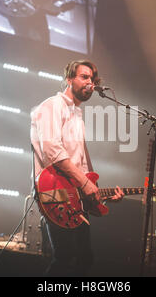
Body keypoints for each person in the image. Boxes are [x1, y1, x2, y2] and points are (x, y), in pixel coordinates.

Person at [30, 60, 124, 276]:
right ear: (69, 79)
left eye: (92, 79)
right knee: (66, 256)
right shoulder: (52, 106)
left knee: (84, 258)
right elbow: (52, 150)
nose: (90, 82)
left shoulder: (77, 116)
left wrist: (98, 192)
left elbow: (81, 165)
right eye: (84, 77)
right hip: (53, 190)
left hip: (73, 193)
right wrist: (84, 182)